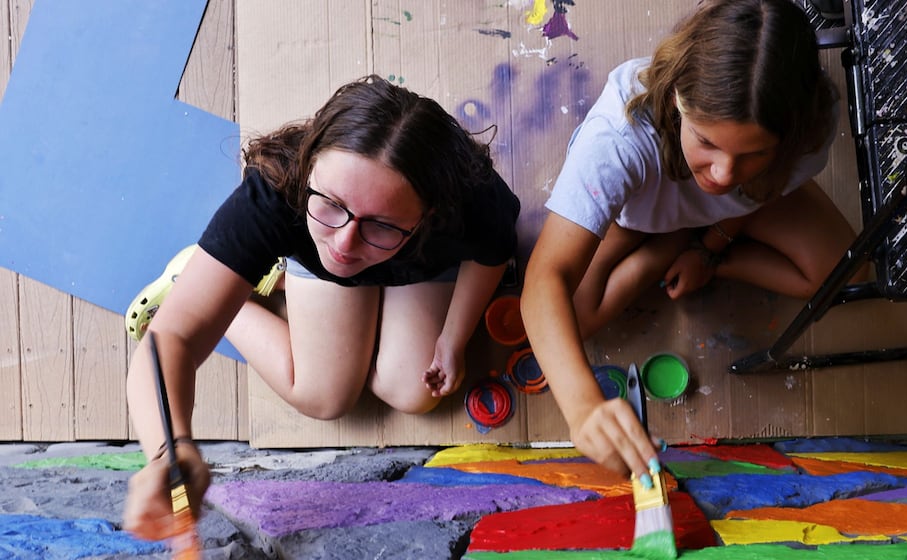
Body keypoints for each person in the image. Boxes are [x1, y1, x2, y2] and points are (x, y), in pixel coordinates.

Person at [122, 75, 520, 540]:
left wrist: (453, 340)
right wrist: (168, 452)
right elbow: (171, 338)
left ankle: (286, 264)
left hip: (421, 265)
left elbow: (491, 252)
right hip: (317, 259)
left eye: (381, 223)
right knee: (324, 396)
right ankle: (202, 277)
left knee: (414, 391)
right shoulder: (274, 194)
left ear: (432, 212)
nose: (345, 244)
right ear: (309, 168)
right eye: (330, 204)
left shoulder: (471, 195)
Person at [520, 0, 864, 481]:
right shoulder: (619, 141)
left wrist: (714, 246)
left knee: (844, 271)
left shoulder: (806, 131)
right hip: (641, 210)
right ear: (680, 97)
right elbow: (543, 281)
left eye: (753, 153)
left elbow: (750, 196)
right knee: (568, 324)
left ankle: (685, 243)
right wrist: (582, 407)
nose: (723, 174)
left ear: (785, 139)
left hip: (739, 211)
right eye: (706, 141)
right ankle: (665, 247)